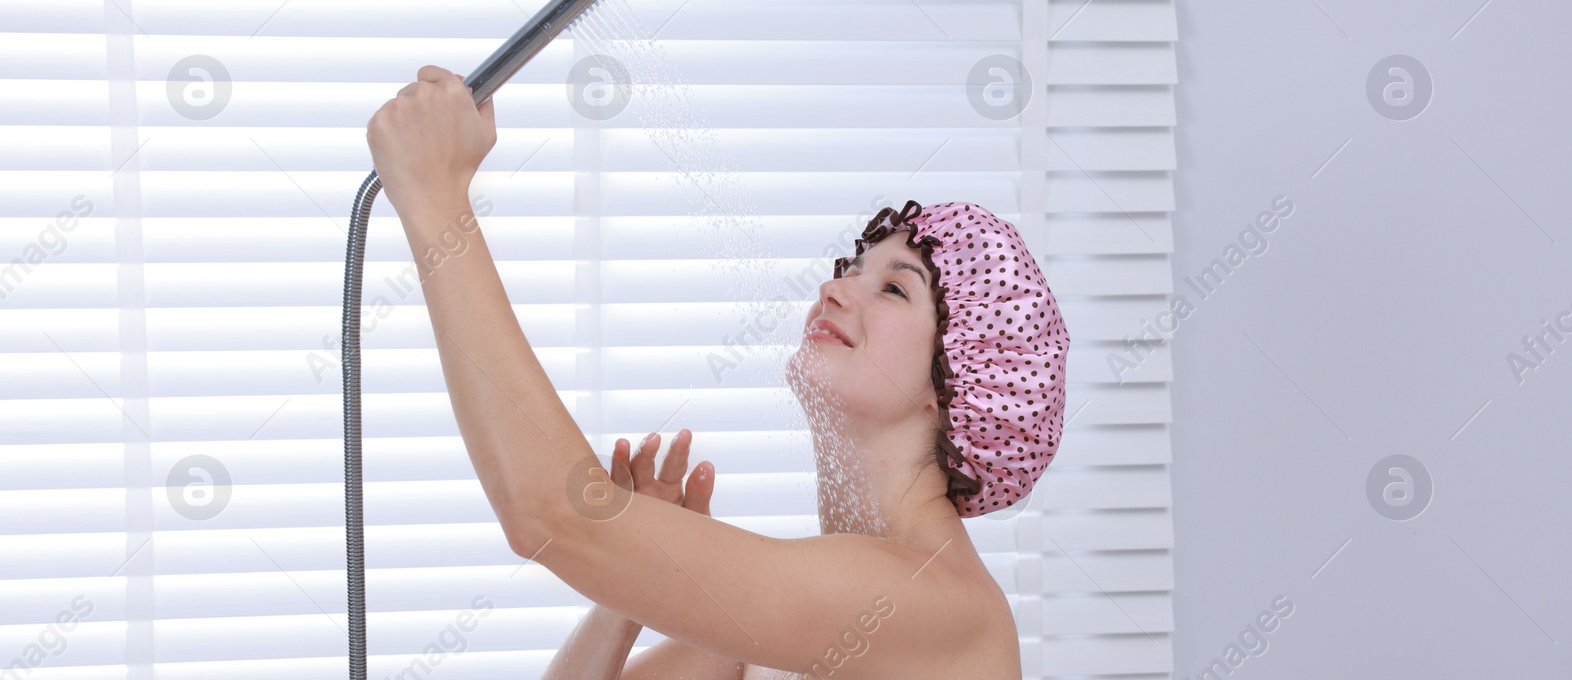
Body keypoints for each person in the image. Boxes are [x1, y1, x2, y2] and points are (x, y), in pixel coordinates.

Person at [367, 65, 1071, 679]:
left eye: (894, 288)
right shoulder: (789, 626)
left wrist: (435, 200)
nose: (835, 289)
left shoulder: (930, 599)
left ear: (960, 385)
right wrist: (625, 585)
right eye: (851, 266)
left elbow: (549, 515)